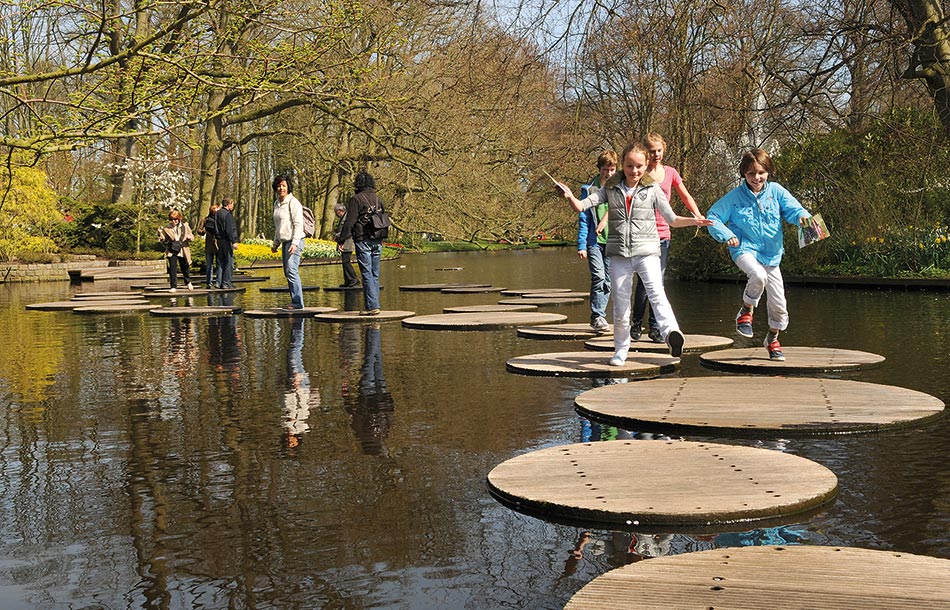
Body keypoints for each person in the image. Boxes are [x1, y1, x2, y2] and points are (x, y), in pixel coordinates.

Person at [558, 141, 712, 365]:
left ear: (646, 165)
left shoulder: (653, 189)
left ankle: (671, 334)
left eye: (639, 166)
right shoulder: (609, 188)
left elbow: (672, 219)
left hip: (647, 252)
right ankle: (621, 350)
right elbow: (582, 206)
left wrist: (694, 220)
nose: (634, 171)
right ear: (623, 165)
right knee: (621, 306)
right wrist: (570, 196)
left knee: (657, 293)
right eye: (629, 166)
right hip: (619, 255)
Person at [706, 148, 812, 361]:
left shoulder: (776, 191)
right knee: (758, 276)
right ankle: (746, 311)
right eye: (751, 174)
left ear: (768, 172)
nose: (756, 178)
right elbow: (713, 216)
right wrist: (726, 234)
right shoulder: (735, 197)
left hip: (772, 255)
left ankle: (772, 340)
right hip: (744, 249)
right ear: (743, 174)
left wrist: (802, 218)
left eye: (761, 173)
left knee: (779, 306)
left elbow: (794, 209)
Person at [631, 133, 705, 342]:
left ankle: (655, 328)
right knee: (645, 283)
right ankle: (636, 324)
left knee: (658, 283)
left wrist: (697, 215)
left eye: (659, 150)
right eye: (652, 151)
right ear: (645, 151)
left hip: (663, 234)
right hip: (642, 234)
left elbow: (685, 195)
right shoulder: (639, 172)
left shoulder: (671, 173)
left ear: (664, 149)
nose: (656, 154)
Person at [577, 150, 618, 333]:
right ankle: (597, 315)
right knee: (598, 276)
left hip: (613, 241)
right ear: (599, 169)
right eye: (605, 169)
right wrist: (582, 245)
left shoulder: (619, 187)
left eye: (612, 169)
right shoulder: (589, 190)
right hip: (594, 242)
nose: (608, 173)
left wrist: (605, 219)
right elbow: (584, 219)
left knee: (608, 281)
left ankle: (600, 317)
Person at [337, 170, 386, 315]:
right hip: (377, 238)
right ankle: (374, 304)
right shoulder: (378, 199)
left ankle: (371, 307)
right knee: (374, 273)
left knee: (366, 272)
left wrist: (342, 240)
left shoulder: (356, 199)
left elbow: (349, 222)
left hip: (362, 238)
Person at [270, 175, 306, 309]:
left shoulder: (293, 202)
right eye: (279, 186)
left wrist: (295, 243)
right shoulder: (276, 204)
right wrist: (275, 244)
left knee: (291, 270)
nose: (281, 188)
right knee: (287, 272)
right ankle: (294, 301)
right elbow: (278, 226)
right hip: (285, 242)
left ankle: (298, 303)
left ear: (288, 187)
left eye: (284, 186)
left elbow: (298, 224)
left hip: (295, 240)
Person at [157, 209, 195, 292]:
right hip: (172, 249)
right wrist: (160, 234)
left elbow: (192, 236)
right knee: (173, 268)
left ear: (179, 218)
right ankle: (173, 286)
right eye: (172, 219)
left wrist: (190, 237)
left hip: (183, 249)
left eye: (176, 219)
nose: (174, 221)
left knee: (185, 267)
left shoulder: (185, 226)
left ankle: (188, 282)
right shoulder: (167, 228)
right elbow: (164, 239)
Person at [333, 202, 360, 288]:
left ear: (340, 210)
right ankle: (348, 281)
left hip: (347, 242)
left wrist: (339, 237)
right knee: (344, 262)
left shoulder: (347, 218)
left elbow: (347, 231)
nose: (336, 214)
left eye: (336, 212)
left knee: (346, 261)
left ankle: (353, 279)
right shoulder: (344, 218)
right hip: (344, 242)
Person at [214, 197, 239, 289]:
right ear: (229, 204)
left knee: (220, 262)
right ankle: (226, 283)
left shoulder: (217, 214)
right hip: (226, 240)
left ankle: (218, 282)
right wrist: (234, 241)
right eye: (232, 204)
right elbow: (229, 230)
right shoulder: (227, 215)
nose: (232, 206)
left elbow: (215, 227)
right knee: (229, 262)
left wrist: (217, 237)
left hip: (219, 240)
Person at [197, 201, 221, 288]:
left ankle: (218, 282)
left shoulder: (220, 220)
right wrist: (205, 230)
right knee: (209, 265)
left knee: (219, 264)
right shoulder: (205, 220)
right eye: (214, 210)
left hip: (218, 244)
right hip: (209, 244)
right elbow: (199, 230)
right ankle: (209, 283)